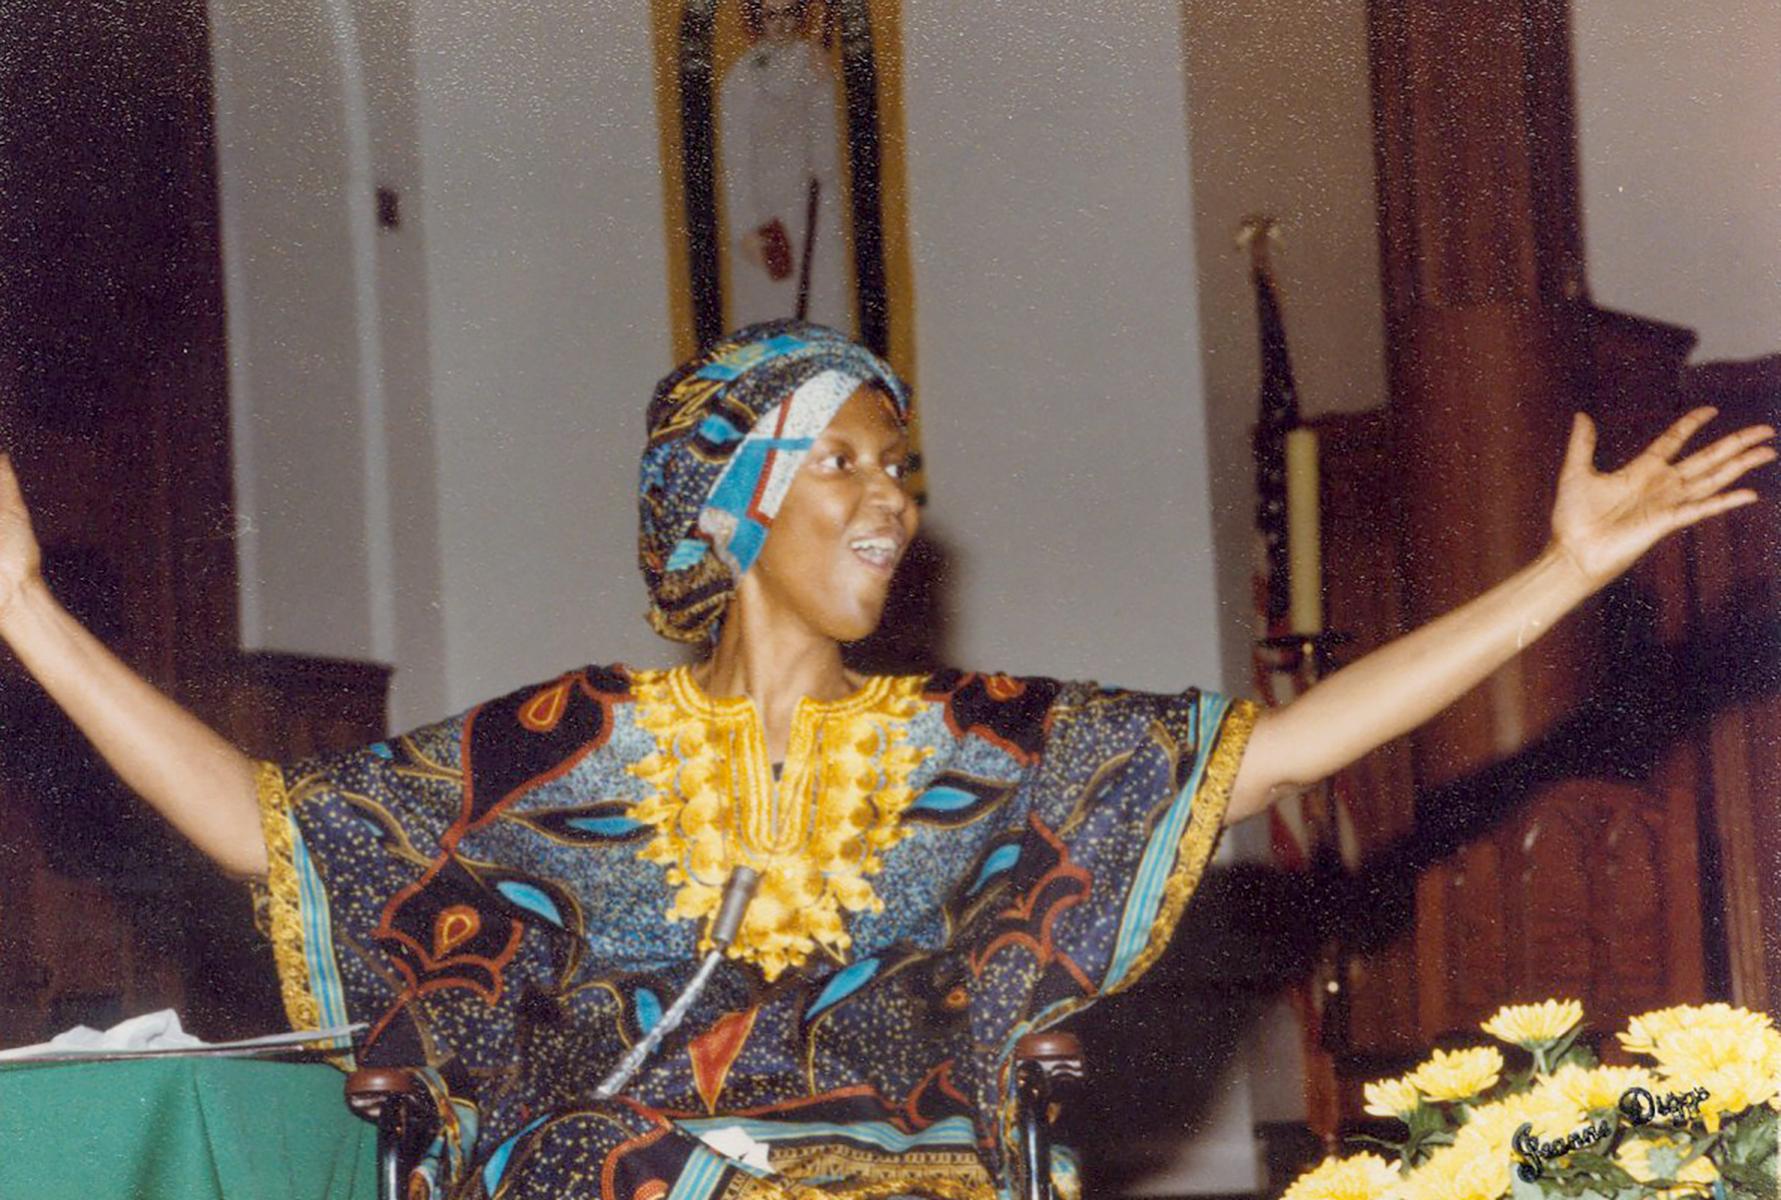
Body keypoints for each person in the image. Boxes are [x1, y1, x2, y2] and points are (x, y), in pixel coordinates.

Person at [0, 320, 1770, 1200]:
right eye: (845, 462)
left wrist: (1564, 577)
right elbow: (267, 828)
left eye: (898, 468)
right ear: (730, 499)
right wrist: (30, 616)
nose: (891, 499)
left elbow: (1272, 754)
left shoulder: (972, 742)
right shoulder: (570, 742)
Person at [718, 0, 850, 331]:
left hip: (812, 205)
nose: (782, 23)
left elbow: (828, 149)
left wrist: (822, 88)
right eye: (771, 14)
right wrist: (744, 227)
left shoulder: (815, 65)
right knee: (771, 307)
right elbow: (734, 158)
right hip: (765, 210)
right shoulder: (743, 77)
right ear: (757, 19)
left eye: (789, 12)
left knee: (822, 300)